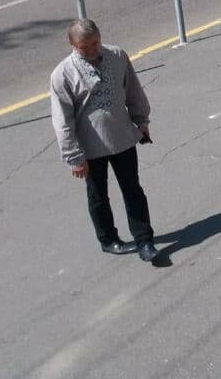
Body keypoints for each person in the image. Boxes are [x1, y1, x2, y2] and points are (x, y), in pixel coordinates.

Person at [50, 19, 159, 262]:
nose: (91, 50)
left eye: (95, 43)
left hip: (121, 137)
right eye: (84, 47)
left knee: (133, 190)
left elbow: (133, 91)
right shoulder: (62, 74)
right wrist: (74, 157)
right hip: (90, 147)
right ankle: (108, 240)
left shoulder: (117, 55)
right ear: (72, 45)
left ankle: (145, 241)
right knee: (98, 196)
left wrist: (141, 121)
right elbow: (62, 120)